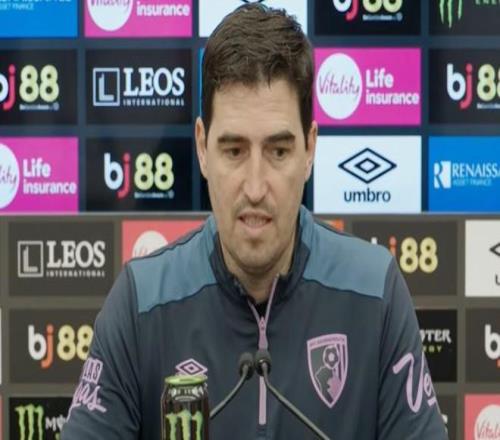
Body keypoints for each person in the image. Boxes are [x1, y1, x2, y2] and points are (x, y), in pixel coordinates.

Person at [62, 4, 448, 439]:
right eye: (234, 151)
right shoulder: (141, 302)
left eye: (278, 151)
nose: (255, 187)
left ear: (310, 149)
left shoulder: (375, 291)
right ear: (202, 148)